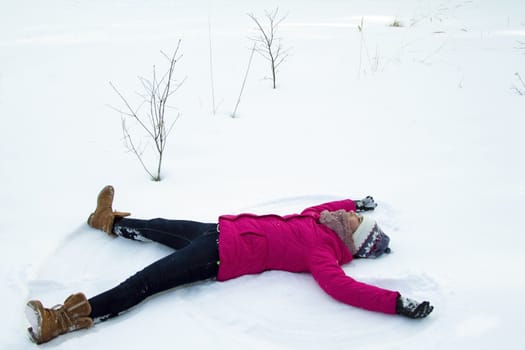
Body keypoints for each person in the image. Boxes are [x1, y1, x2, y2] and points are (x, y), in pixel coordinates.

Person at [25, 185, 434, 344]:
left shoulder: (323, 254)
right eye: (355, 216)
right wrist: (354, 201)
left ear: (351, 241)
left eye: (356, 223)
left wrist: (395, 302)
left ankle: (64, 319)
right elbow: (329, 205)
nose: (349, 217)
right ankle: (110, 222)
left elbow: (343, 288)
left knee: (146, 281)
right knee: (160, 226)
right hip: (218, 230)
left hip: (220, 255)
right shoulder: (319, 219)